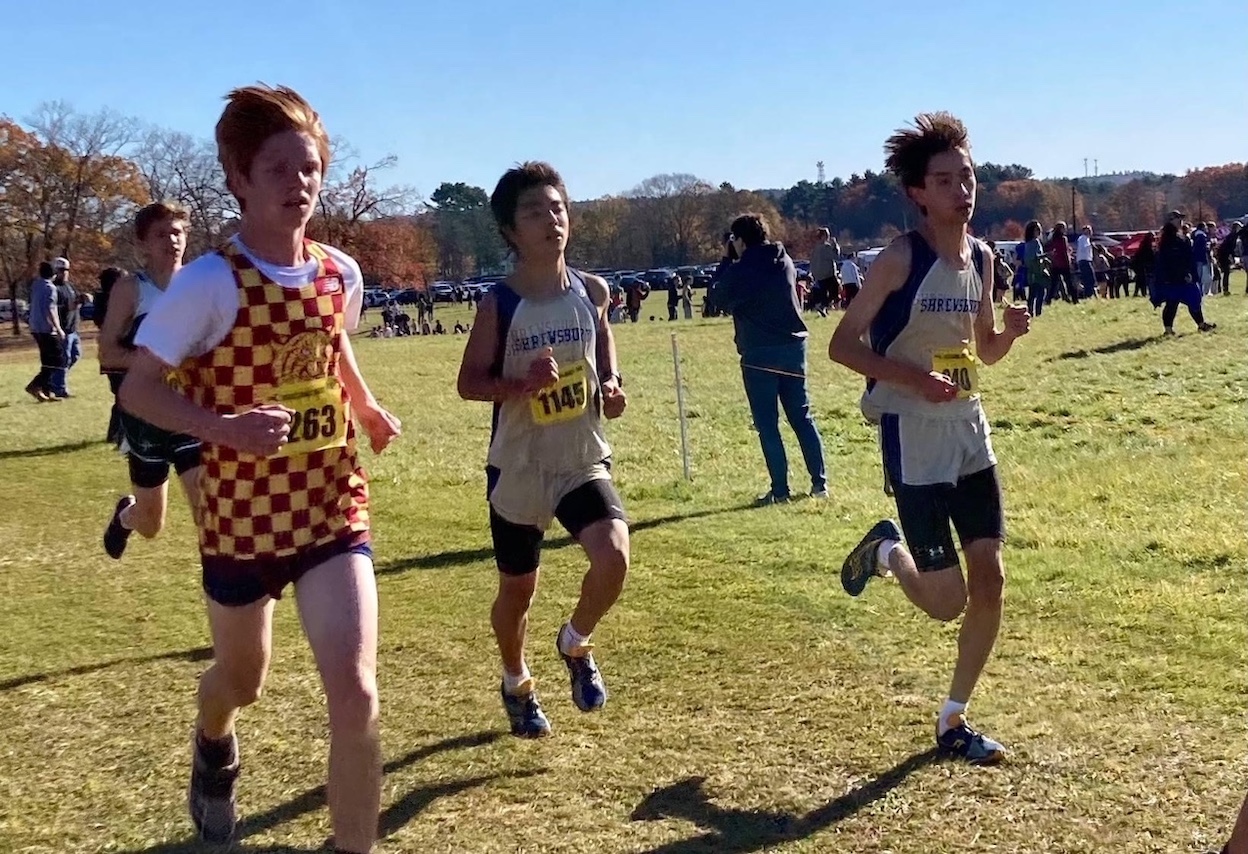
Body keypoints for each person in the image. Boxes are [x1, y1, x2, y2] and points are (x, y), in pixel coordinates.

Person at [118, 84, 401, 853]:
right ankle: (213, 741)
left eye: (308, 168)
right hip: (242, 524)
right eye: (276, 168)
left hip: (330, 507)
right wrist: (223, 429)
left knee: (357, 692)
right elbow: (142, 389)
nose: (297, 183)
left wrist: (366, 408)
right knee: (241, 681)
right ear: (239, 179)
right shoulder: (209, 284)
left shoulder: (339, 273)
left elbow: (331, 347)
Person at [828, 112, 1030, 765]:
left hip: (970, 433)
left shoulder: (984, 258)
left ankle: (953, 719)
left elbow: (984, 348)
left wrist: (1010, 336)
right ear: (919, 193)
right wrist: (912, 379)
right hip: (914, 437)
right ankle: (887, 550)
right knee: (946, 604)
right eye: (945, 180)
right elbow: (842, 345)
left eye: (967, 177)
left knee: (991, 579)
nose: (961, 190)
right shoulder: (900, 258)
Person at [456, 161, 630, 740]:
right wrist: (520, 386)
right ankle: (517, 680)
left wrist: (610, 380)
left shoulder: (591, 289)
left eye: (557, 208)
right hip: (520, 465)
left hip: (580, 454)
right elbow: (469, 383)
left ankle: (575, 642)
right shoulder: (499, 305)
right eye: (534, 212)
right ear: (511, 231)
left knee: (614, 558)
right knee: (517, 591)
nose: (551, 219)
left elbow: (602, 335)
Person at [99, 202, 203, 560]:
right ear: (142, 243)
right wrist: (155, 364)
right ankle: (125, 517)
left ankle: (230, 593)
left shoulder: (202, 284)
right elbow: (108, 354)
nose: (171, 240)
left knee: (208, 511)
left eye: (177, 232)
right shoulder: (131, 289)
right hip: (144, 417)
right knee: (151, 523)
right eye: (160, 234)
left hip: (191, 411)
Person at [712, 213, 828, 505]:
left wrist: (727, 261)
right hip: (793, 347)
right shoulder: (783, 260)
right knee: (802, 417)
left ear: (739, 241)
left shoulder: (743, 268)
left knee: (768, 424)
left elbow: (717, 297)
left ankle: (780, 489)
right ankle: (819, 483)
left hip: (759, 353)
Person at [1151, 211, 1215, 335]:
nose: (1180, 221)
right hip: (1175, 277)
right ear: (1170, 221)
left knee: (1192, 299)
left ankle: (1200, 324)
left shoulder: (1179, 238)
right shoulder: (1168, 240)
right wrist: (1183, 273)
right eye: (1177, 218)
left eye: (1181, 218)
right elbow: (1170, 259)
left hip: (1180, 277)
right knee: (1175, 302)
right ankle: (1169, 330)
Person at [24, 261, 65, 403]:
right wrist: (58, 328)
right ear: (54, 274)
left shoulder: (36, 285)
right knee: (58, 360)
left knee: (46, 360)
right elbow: (50, 309)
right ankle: (35, 385)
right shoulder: (50, 288)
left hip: (35, 327)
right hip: (46, 329)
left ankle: (47, 392)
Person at [50, 257, 82, 398]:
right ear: (55, 271)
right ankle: (59, 389)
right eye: (61, 270)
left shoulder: (69, 286)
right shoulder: (53, 288)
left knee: (75, 355)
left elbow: (73, 304)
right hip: (63, 329)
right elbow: (52, 309)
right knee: (64, 358)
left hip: (73, 328)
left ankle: (53, 380)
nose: (64, 273)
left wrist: (82, 300)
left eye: (66, 270)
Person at [809, 227, 841, 317]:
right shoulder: (826, 247)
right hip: (828, 274)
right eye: (827, 235)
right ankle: (823, 305)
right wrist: (835, 246)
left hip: (819, 275)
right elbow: (836, 257)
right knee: (834, 291)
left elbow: (812, 261)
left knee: (824, 293)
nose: (828, 237)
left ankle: (823, 309)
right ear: (823, 236)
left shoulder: (815, 249)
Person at [1023, 220, 1051, 318]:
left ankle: (1032, 312)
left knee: (1034, 293)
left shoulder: (1030, 243)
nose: (1039, 231)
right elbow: (1033, 257)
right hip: (1036, 272)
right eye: (1037, 229)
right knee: (1037, 293)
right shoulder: (1033, 242)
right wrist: (1046, 255)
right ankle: (1035, 312)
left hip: (1035, 271)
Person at [1047, 222, 1076, 303]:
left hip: (1055, 264)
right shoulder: (1063, 239)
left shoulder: (1052, 239)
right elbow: (1064, 252)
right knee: (1069, 283)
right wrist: (1069, 262)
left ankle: (1048, 300)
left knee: (1053, 284)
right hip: (1064, 263)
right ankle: (1074, 299)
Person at [1216, 222, 1241, 296]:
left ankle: (1224, 289)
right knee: (1226, 272)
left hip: (1223, 254)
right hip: (1224, 255)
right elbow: (1230, 248)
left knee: (1226, 272)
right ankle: (1225, 289)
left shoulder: (1231, 236)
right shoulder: (1233, 236)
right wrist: (1233, 257)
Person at [1074, 225, 1096, 299]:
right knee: (1089, 278)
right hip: (1084, 260)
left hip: (1086, 260)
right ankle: (1088, 294)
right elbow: (1083, 248)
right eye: (1087, 230)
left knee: (1089, 278)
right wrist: (1090, 246)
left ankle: (1088, 294)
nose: (1089, 231)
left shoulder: (1087, 239)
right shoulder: (1083, 238)